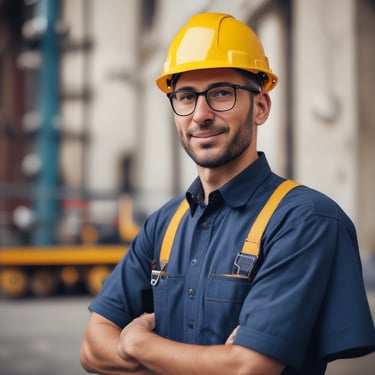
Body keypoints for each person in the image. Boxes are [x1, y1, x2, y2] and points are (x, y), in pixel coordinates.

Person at [80, 13, 375, 375]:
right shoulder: (164, 224)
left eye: (222, 93)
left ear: (261, 107)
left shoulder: (304, 220)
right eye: (186, 96)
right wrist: (201, 362)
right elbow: (92, 347)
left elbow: (248, 367)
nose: (200, 114)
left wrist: (138, 343)